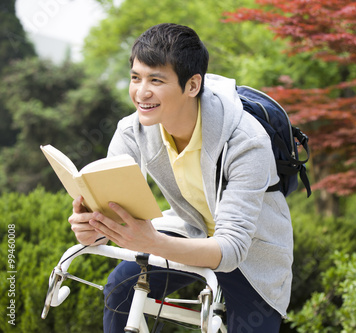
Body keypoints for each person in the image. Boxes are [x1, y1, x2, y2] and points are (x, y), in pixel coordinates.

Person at [68, 23, 293, 333]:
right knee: (120, 290)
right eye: (136, 77)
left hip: (251, 251)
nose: (141, 92)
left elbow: (230, 249)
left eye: (156, 80)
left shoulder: (246, 140)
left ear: (192, 85)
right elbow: (112, 219)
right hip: (192, 230)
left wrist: (152, 242)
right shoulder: (132, 132)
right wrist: (91, 230)